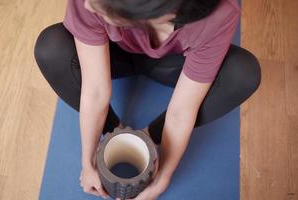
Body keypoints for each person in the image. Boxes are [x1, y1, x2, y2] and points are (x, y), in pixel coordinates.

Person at [34, 0, 261, 199]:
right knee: (51, 47)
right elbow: (95, 90)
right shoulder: (91, 1)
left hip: (174, 62)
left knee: (244, 73)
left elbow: (181, 111)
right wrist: (88, 161)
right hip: (113, 51)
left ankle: (149, 137)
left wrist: (163, 178)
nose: (87, 5)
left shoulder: (218, 12)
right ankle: (116, 132)